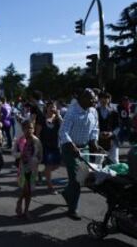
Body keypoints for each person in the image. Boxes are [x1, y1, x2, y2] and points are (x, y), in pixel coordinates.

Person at [59, 88, 99, 220]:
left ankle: (66, 193)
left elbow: (95, 128)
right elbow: (63, 132)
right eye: (91, 98)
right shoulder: (72, 112)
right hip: (70, 149)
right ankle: (72, 209)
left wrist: (94, 142)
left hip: (85, 148)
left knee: (82, 178)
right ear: (82, 99)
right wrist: (72, 145)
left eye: (94, 98)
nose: (94, 100)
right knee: (76, 180)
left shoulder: (93, 111)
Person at [15, 120, 42, 219]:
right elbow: (14, 152)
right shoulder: (19, 140)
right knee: (26, 188)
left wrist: (37, 161)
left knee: (29, 191)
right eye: (27, 128)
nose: (29, 130)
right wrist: (20, 155)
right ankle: (19, 202)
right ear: (23, 129)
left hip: (33, 169)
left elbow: (40, 155)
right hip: (22, 168)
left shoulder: (37, 141)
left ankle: (26, 210)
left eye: (31, 128)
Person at [40, 101, 62, 194]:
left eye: (54, 107)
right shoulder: (42, 119)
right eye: (50, 107)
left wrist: (59, 115)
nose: (52, 108)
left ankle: (42, 173)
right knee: (48, 166)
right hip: (45, 146)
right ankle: (50, 187)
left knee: (57, 165)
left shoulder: (57, 119)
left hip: (56, 145)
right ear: (46, 108)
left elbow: (64, 126)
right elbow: (37, 133)